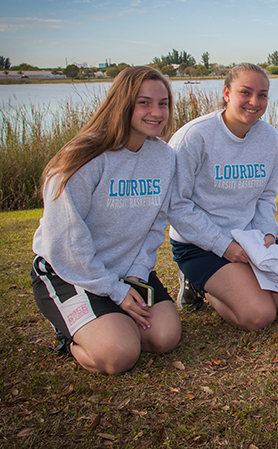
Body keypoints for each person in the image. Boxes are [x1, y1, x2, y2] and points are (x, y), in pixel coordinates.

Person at [31, 66, 182, 375]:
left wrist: (136, 278)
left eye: (163, 103)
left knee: (165, 337)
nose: (157, 112)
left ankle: (108, 320)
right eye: (145, 103)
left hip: (127, 271)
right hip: (71, 272)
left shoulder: (165, 158)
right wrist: (114, 291)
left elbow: (155, 227)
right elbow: (67, 243)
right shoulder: (82, 158)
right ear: (122, 103)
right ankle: (71, 336)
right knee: (120, 354)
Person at [169, 63, 278, 330]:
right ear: (226, 93)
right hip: (200, 243)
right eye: (245, 92)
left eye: (263, 94)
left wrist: (267, 232)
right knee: (259, 315)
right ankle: (200, 288)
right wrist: (223, 246)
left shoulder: (268, 136)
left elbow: (266, 197)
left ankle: (240, 281)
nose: (254, 102)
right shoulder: (194, 137)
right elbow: (177, 206)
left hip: (250, 237)